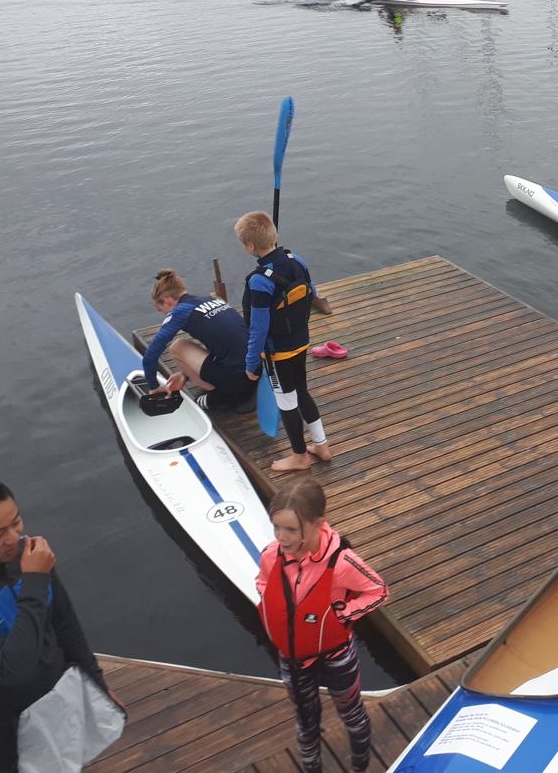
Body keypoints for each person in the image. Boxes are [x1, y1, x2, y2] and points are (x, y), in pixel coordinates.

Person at [0, 477, 114, 772]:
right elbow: (12, 669)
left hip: (58, 711)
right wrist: (33, 583)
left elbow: (65, 625)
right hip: (0, 742)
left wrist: (96, 682)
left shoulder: (29, 560)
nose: (13, 538)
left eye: (16, 523)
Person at [258, 479, 387, 773]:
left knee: (352, 714)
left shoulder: (341, 563)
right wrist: (267, 597)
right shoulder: (270, 554)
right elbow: (263, 580)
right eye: (276, 527)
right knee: (305, 720)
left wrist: (344, 614)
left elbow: (378, 590)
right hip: (292, 658)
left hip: (336, 654)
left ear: (318, 525)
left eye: (291, 529)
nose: (282, 537)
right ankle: (311, 768)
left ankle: (360, 766)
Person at [238, 212, 331, 471]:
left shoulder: (259, 281)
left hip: (277, 352)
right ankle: (321, 445)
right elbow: (311, 291)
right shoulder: (295, 260)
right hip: (301, 341)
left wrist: (250, 361)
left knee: (286, 401)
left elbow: (258, 327)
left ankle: (300, 456)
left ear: (250, 246)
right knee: (302, 392)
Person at [142, 268, 257, 413]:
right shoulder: (211, 300)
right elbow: (224, 341)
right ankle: (238, 388)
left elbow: (150, 357)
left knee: (177, 346)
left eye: (161, 309)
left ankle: (225, 396)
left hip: (237, 381)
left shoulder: (180, 311)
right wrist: (185, 375)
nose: (164, 314)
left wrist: (154, 387)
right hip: (256, 369)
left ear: (166, 300)